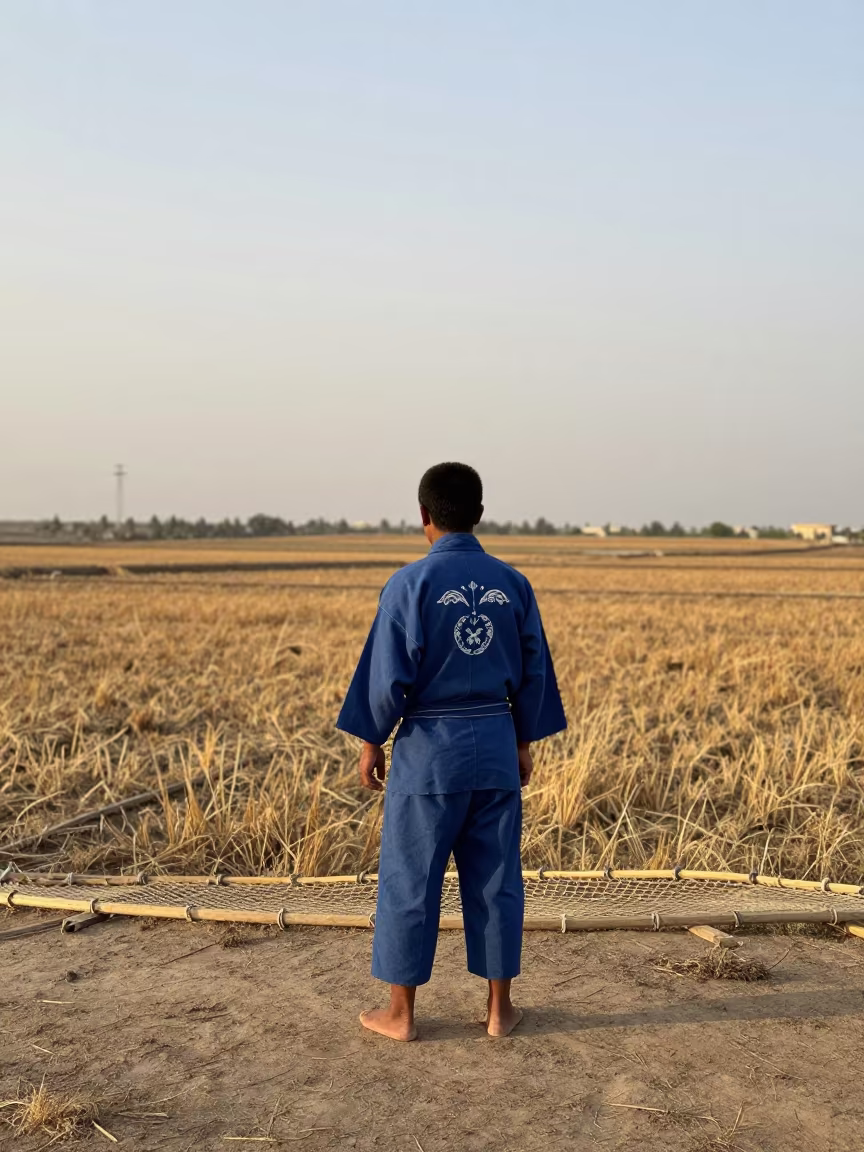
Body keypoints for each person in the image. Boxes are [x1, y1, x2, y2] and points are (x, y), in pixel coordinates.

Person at [337, 462, 566, 1040]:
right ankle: (499, 1011)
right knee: (497, 879)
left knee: (410, 879)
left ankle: (401, 1015)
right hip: (495, 744)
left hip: (428, 754)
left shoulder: (408, 585)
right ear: (479, 514)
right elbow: (534, 672)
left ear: (424, 515)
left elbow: (386, 678)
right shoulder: (513, 584)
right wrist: (521, 742)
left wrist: (371, 741)